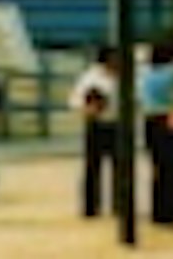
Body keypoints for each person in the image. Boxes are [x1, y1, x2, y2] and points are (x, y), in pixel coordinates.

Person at [141, 37, 173, 225]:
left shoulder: (146, 73)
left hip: (151, 119)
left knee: (159, 167)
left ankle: (159, 211)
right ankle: (172, 210)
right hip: (172, 117)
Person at [70, 44, 118, 219]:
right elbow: (75, 100)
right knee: (92, 167)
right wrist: (87, 108)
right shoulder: (90, 77)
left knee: (119, 167)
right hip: (96, 124)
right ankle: (90, 207)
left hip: (117, 124)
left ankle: (119, 205)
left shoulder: (124, 76)